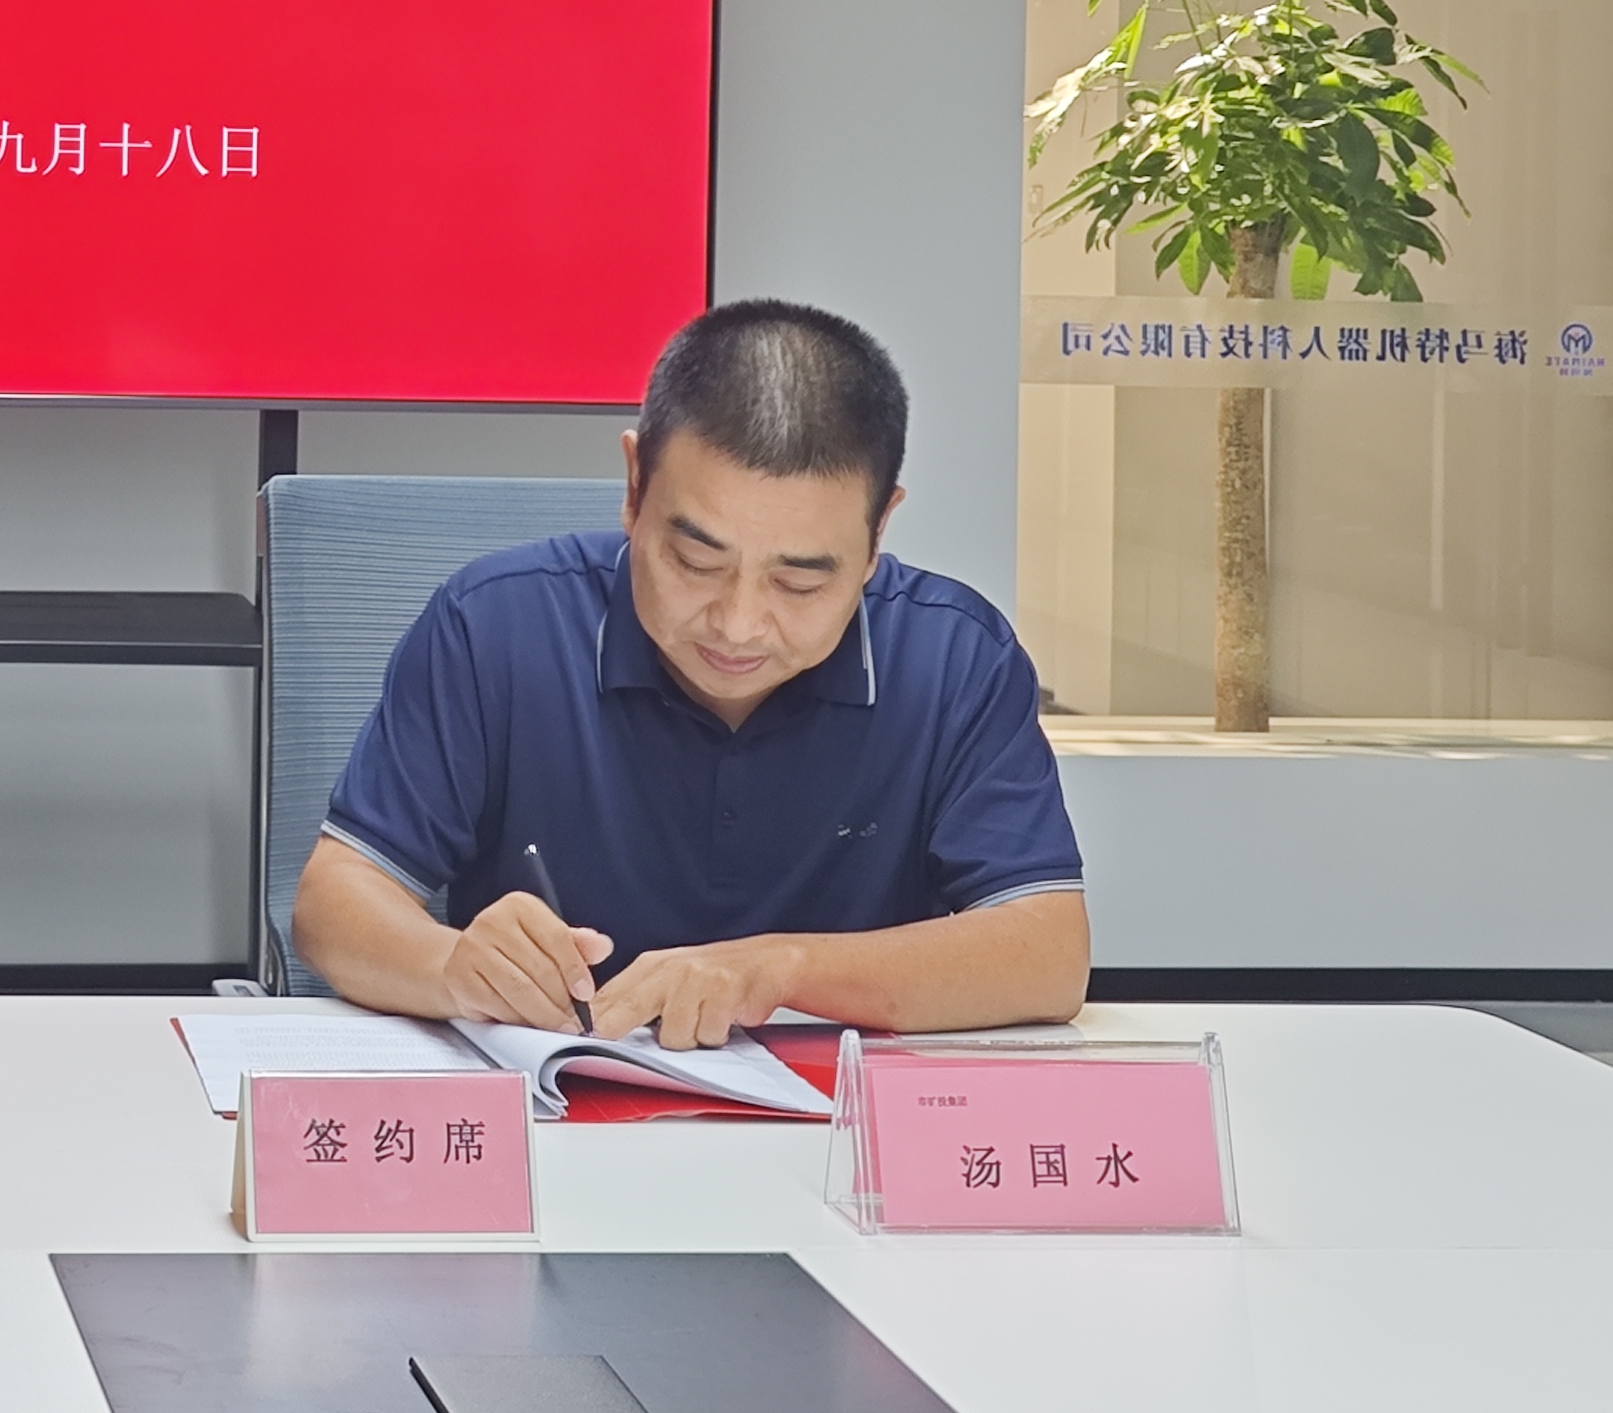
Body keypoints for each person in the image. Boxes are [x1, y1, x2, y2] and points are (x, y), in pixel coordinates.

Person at [294, 299, 1086, 1048]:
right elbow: (335, 900)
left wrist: (777, 970)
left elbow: (1048, 953)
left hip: (838, 1128)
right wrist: (452, 966)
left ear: (879, 531)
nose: (738, 625)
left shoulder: (953, 658)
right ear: (635, 487)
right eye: (696, 562)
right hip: (557, 1110)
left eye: (798, 582)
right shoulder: (496, 625)